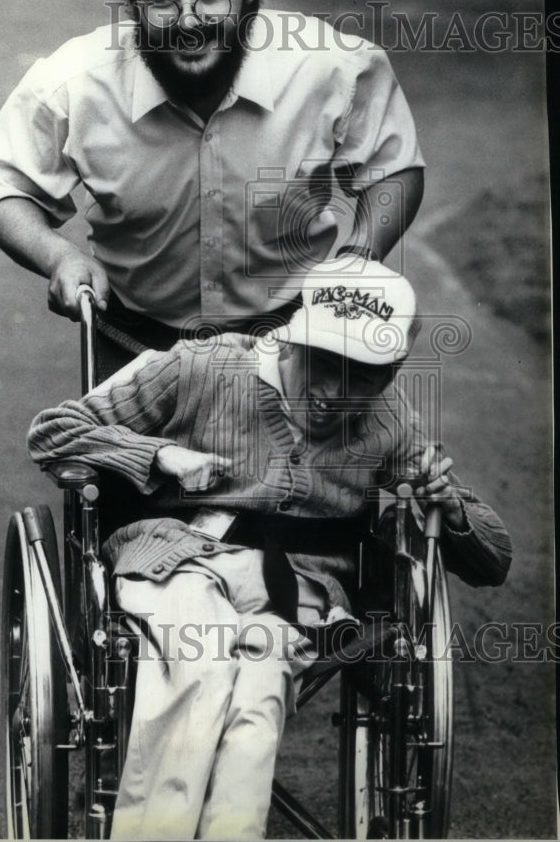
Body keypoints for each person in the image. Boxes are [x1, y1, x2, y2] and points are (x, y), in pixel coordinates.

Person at [27, 260, 511, 841]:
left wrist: (448, 506)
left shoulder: (387, 419)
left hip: (295, 593)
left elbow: (493, 556)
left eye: (366, 377)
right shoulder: (199, 367)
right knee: (197, 662)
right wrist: (157, 455)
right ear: (292, 341)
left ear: (393, 371)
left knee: (258, 694)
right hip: (179, 561)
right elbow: (53, 433)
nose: (337, 394)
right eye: (325, 365)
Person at [0, 0, 425, 375]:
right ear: (131, 1)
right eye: (163, 0)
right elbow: (4, 186)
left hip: (292, 346)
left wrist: (359, 257)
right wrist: (60, 257)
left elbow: (393, 168)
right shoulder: (74, 84)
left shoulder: (332, 68)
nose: (189, 23)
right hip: (134, 345)